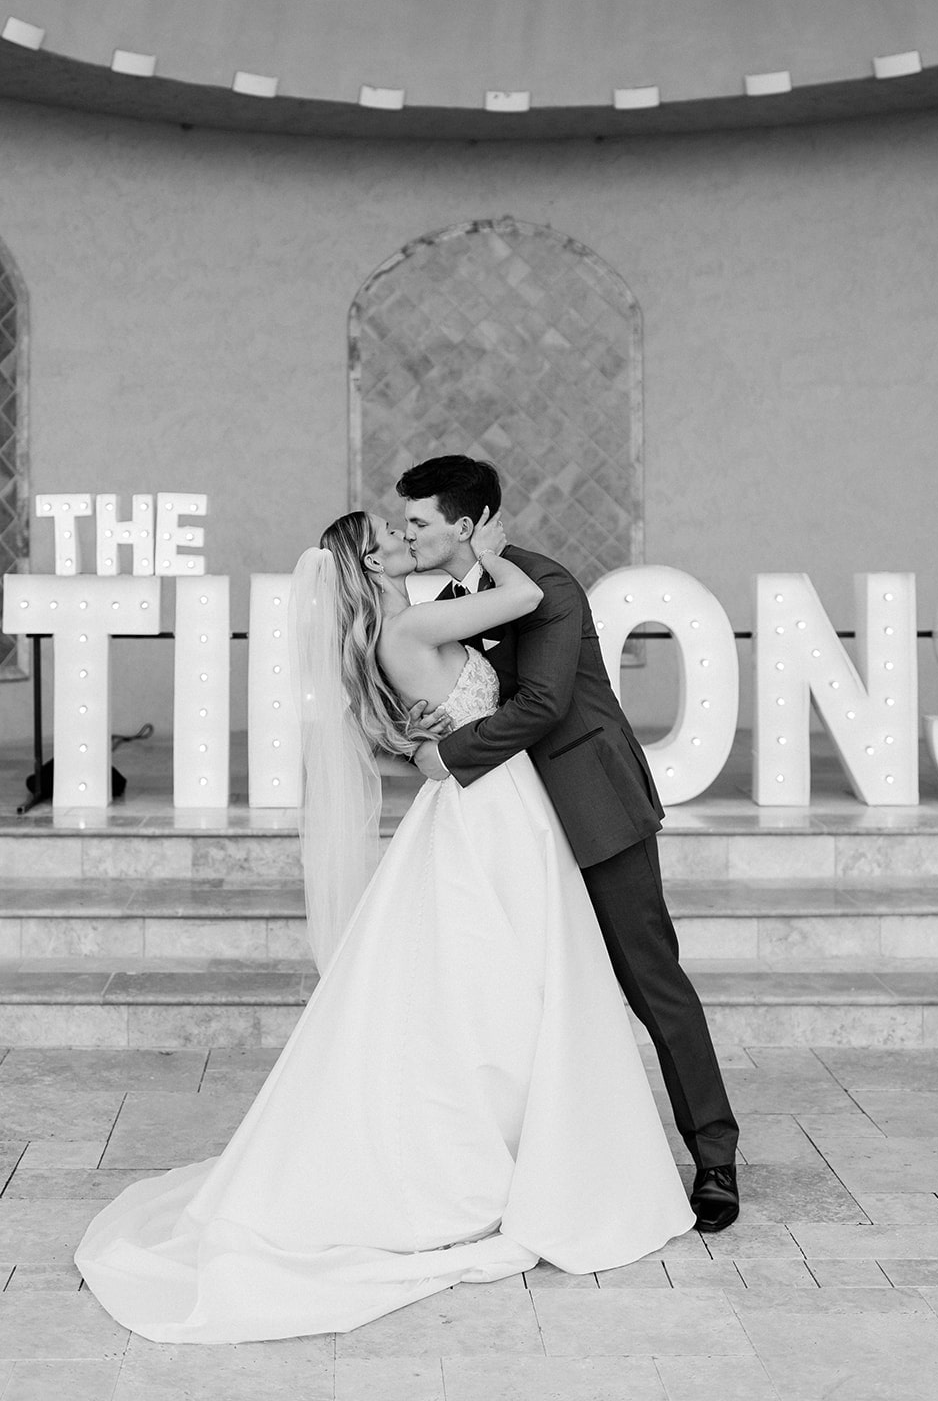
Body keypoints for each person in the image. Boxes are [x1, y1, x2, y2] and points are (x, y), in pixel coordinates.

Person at [74, 507, 693, 1344]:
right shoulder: (417, 623)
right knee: (506, 981)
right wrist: (489, 550)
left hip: (487, 804)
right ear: (369, 562)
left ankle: (516, 1146)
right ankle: (513, 1158)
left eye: (412, 530)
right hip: (494, 811)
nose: (407, 542)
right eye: (393, 538)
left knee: (483, 984)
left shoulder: (394, 632)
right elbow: (516, 600)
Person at [398, 456, 740, 1232]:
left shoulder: (543, 586)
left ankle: (714, 1157)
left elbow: (547, 702)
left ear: (463, 524)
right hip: (509, 827)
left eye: (418, 521)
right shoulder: (452, 600)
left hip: (590, 810)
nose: (409, 535)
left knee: (648, 980)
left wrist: (443, 759)